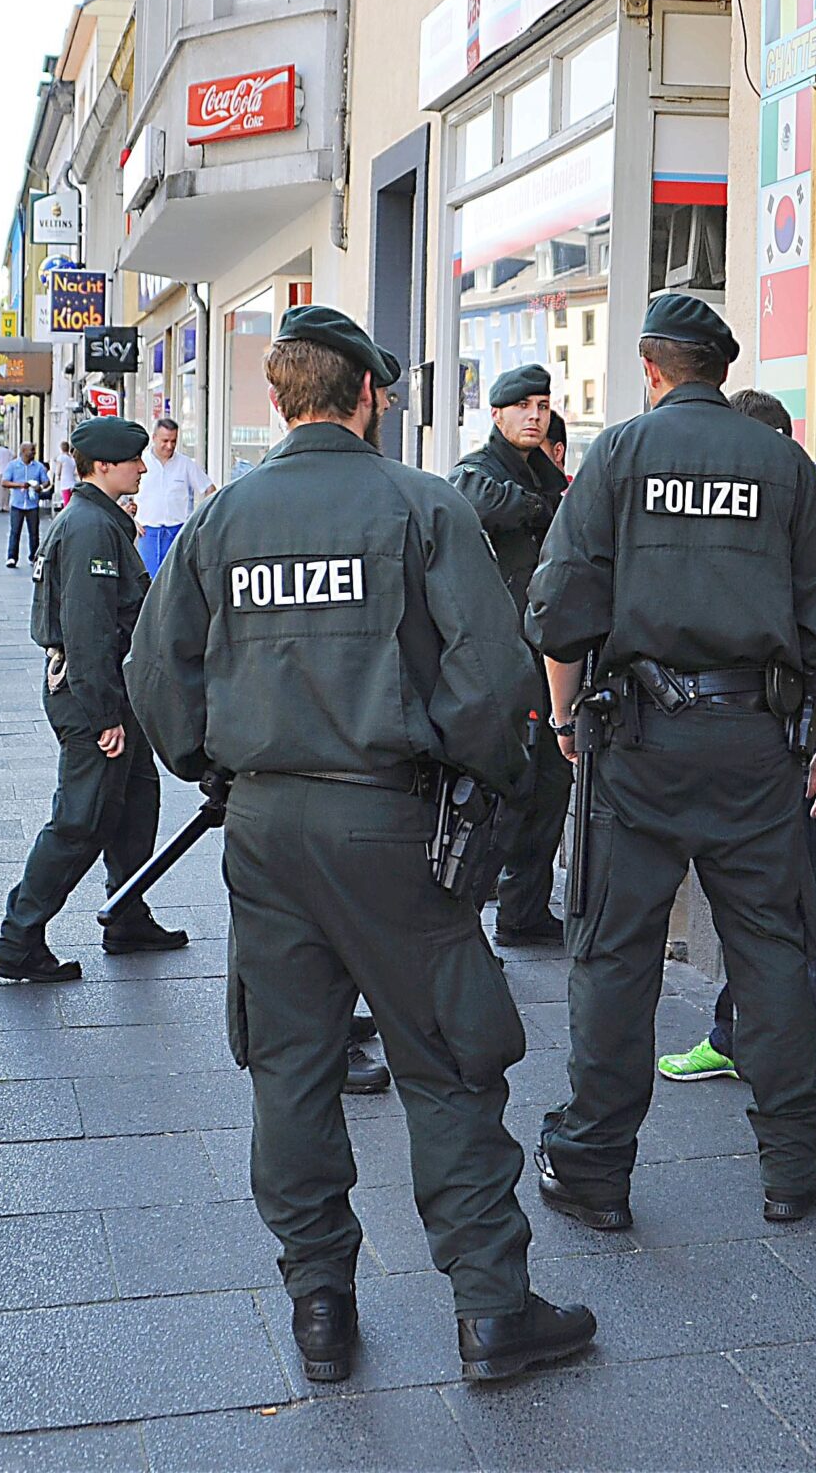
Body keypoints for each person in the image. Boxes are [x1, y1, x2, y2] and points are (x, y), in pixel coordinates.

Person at [127, 304, 597, 1386]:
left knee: (290, 1069)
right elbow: (494, 678)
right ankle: (491, 1311)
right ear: (367, 395)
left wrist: (222, 771)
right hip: (398, 822)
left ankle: (319, 1306)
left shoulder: (222, 518)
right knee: (447, 1063)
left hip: (265, 825)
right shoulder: (420, 506)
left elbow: (157, 676)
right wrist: (486, 785)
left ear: (281, 396)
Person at [523, 293, 816, 1233]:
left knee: (613, 954)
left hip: (637, 747)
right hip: (756, 747)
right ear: (720, 371)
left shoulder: (620, 455)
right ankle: (791, 1168)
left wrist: (562, 717)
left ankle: (595, 1167)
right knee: (770, 950)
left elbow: (560, 608)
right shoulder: (783, 465)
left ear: (651, 369)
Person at [658, 389, 816, 1139]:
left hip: (812, 745)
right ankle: (735, 1034)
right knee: (746, 895)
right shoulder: (742, 503)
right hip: (754, 740)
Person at [0, 417, 185, 983]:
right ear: (104, 466)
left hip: (114, 692)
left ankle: (127, 913)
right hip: (91, 696)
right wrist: (104, 715)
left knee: (137, 801)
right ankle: (19, 938)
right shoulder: (90, 529)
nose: (144, 469)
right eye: (134, 461)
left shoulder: (101, 520)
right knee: (82, 819)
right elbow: (88, 629)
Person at [449, 364, 572, 946]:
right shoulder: (480, 470)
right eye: (523, 405)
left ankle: (523, 913)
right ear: (496, 414)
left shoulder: (546, 473)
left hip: (548, 659)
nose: (535, 415)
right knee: (497, 803)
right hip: (500, 664)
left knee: (548, 793)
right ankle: (466, 932)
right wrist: (542, 506)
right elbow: (471, 500)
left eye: (543, 405)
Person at [135, 417, 214, 576]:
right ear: (154, 438)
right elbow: (122, 494)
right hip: (148, 533)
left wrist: (200, 519)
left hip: (177, 531)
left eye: (173, 441)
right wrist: (132, 521)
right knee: (148, 580)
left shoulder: (186, 464)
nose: (169, 446)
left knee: (176, 578)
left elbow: (209, 489)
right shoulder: (141, 462)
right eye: (165, 440)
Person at [2, 441, 48, 568]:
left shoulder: (38, 467)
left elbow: (46, 481)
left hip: (32, 504)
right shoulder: (13, 466)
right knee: (15, 531)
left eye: (34, 450)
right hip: (17, 504)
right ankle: (12, 557)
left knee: (34, 532)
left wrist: (40, 487)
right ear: (23, 451)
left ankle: (34, 556)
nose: (34, 452)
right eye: (31, 450)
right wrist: (20, 485)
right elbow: (5, 482)